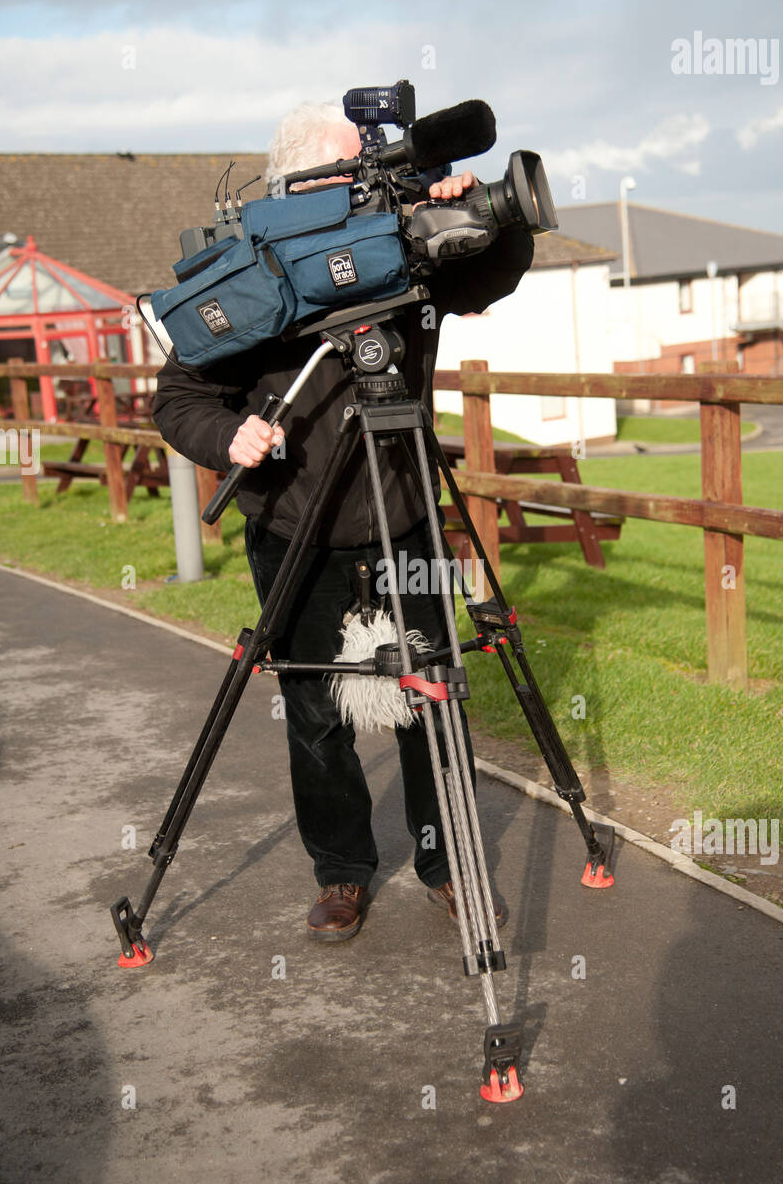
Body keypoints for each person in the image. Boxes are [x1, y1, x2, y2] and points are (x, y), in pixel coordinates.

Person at [152, 101, 534, 941]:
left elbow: (485, 281)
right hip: (294, 531)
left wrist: (487, 219)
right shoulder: (248, 273)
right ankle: (341, 874)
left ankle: (451, 867)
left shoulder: (398, 239)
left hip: (405, 520)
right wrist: (229, 434)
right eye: (352, 166)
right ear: (299, 180)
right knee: (317, 713)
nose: (370, 179)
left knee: (432, 700)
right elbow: (178, 400)